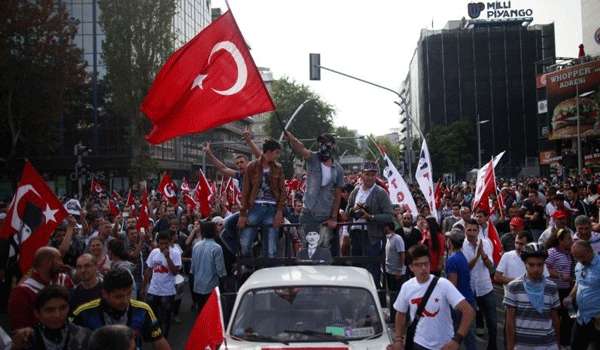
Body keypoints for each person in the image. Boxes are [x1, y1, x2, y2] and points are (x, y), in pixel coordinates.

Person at [390, 244, 475, 350]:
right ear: (411, 267)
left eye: (426, 263)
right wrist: (398, 339)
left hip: (445, 345)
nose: (423, 268)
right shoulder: (407, 287)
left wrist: (457, 340)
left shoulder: (444, 284)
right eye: (418, 265)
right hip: (419, 344)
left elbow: (468, 311)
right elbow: (400, 313)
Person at [73, 269, 171, 350]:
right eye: (118, 296)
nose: (125, 300)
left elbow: (159, 342)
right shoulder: (83, 313)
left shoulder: (143, 310)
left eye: (129, 294)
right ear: (104, 294)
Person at [285, 131, 345, 255]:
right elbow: (300, 148)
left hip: (325, 215)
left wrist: (333, 217)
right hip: (308, 213)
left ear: (333, 145)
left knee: (324, 250)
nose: (323, 146)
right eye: (320, 143)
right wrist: (291, 138)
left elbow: (338, 195)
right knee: (309, 250)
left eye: (326, 143)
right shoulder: (313, 158)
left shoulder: (338, 169)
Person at [504, 243, 560, 350]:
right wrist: (510, 347)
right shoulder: (514, 287)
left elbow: (555, 318)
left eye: (540, 265)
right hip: (522, 345)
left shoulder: (551, 287)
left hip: (548, 345)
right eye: (531, 265)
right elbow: (510, 321)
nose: (536, 269)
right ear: (525, 264)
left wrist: (557, 344)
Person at [346, 161, 394, 287]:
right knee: (357, 267)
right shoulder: (355, 191)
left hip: (372, 237)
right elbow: (347, 212)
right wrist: (354, 209)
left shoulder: (380, 192)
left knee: (372, 269)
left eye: (373, 174)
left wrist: (371, 217)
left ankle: (375, 297)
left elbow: (389, 216)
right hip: (355, 234)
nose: (370, 177)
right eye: (367, 174)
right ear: (361, 175)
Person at [238, 138, 286, 258]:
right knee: (245, 244)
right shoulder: (251, 167)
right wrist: (243, 214)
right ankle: (250, 267)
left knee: (271, 250)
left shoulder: (278, 168)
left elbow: (282, 191)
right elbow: (245, 191)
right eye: (276, 153)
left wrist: (279, 212)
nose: (277, 156)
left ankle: (268, 272)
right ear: (268, 152)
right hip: (255, 208)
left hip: (272, 209)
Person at [8, 246, 73, 330]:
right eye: (59, 259)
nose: (62, 263)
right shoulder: (22, 292)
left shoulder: (65, 279)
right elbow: (20, 328)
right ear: (48, 262)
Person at [11, 286, 90, 350]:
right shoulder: (27, 340)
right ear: (37, 313)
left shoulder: (84, 335)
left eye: (63, 308)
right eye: (50, 310)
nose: (57, 315)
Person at [462, 218, 497, 350]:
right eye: (469, 230)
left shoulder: (487, 243)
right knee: (469, 325)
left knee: (493, 323)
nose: (471, 233)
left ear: (478, 231)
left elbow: (491, 267)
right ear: (465, 230)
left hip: (485, 288)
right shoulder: (462, 245)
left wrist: (483, 254)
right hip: (469, 289)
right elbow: (466, 269)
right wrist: (477, 256)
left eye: (474, 230)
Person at [142, 230, 182, 338]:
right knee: (152, 315)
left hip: (167, 291)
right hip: (153, 289)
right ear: (157, 243)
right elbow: (149, 270)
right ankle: (154, 335)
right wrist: (144, 287)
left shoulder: (175, 253)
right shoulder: (154, 252)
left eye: (165, 243)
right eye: (160, 243)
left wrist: (168, 257)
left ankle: (164, 338)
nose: (163, 246)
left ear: (169, 243)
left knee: (166, 317)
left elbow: (175, 272)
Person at [444, 228, 477, 350]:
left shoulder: (452, 260)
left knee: (456, 336)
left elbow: (452, 285)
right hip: (468, 299)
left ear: (450, 243)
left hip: (459, 304)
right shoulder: (461, 256)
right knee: (469, 336)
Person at [566, 240, 600, 349]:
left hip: (597, 320)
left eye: (582, 256)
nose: (580, 260)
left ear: (590, 251)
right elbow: (578, 283)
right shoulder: (579, 265)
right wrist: (570, 296)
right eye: (576, 257)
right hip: (581, 317)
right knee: (575, 346)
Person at [544, 228, 575, 348]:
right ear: (560, 240)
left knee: (568, 318)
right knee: (554, 318)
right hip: (555, 291)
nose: (571, 241)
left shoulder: (569, 253)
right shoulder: (552, 252)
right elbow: (545, 268)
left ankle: (564, 342)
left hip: (567, 291)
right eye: (568, 239)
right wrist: (560, 275)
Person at [190, 221, 226, 312]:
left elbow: (193, 268)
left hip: (198, 285)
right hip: (211, 286)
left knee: (201, 312)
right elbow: (220, 270)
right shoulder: (216, 248)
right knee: (211, 312)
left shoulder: (196, 246)